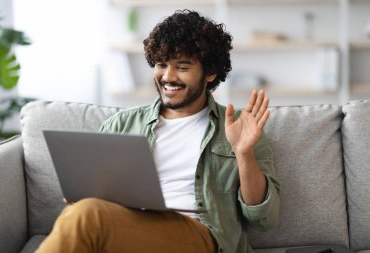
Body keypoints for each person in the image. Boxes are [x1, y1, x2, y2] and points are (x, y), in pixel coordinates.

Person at [36, 9, 280, 253]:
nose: (168, 76)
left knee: (86, 216)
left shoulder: (239, 126)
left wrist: (244, 153)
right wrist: (83, 195)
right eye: (161, 64)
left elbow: (264, 218)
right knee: (83, 213)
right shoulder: (122, 124)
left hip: (200, 236)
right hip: (126, 231)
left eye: (182, 67)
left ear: (210, 73)